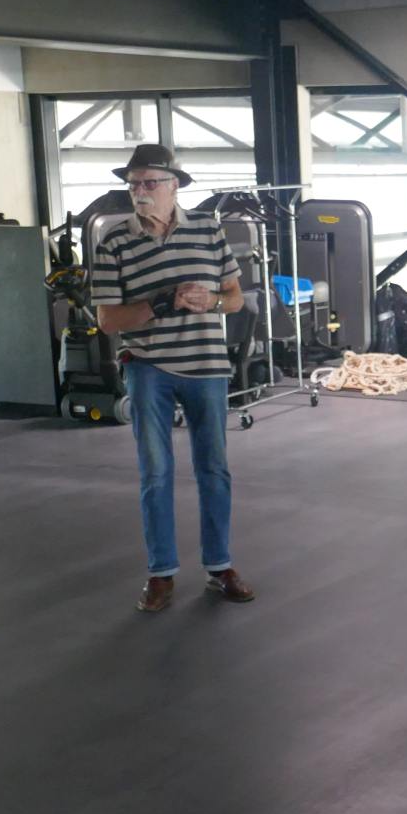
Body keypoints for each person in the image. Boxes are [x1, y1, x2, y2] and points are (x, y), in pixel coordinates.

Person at [91, 143, 255, 614]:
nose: (139, 191)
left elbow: (235, 298)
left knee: (214, 469)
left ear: (174, 186)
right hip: (148, 368)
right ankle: (161, 573)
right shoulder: (114, 242)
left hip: (206, 366)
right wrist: (161, 304)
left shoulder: (207, 229)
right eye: (133, 184)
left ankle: (220, 566)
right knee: (156, 472)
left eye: (149, 182)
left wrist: (213, 302)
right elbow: (108, 320)